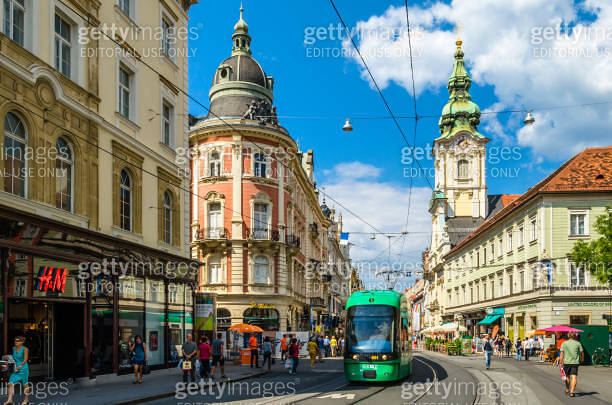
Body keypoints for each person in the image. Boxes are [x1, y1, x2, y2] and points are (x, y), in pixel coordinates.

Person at [4, 336, 30, 405]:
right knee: (10, 383)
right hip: (15, 368)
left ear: (22, 342)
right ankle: (9, 400)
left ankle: (26, 400)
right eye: (15, 341)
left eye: (18, 341)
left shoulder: (25, 349)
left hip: (23, 368)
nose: (16, 342)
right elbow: (14, 358)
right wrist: (8, 359)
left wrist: (20, 366)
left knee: (25, 385)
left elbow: (25, 359)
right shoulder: (13, 348)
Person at [560, 333, 584, 397]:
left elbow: (562, 353)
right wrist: (582, 359)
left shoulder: (564, 343)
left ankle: (567, 389)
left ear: (568, 336)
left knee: (567, 377)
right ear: (575, 337)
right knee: (574, 377)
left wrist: (560, 362)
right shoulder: (578, 343)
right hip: (575, 362)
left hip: (566, 362)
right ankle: (572, 392)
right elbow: (582, 352)